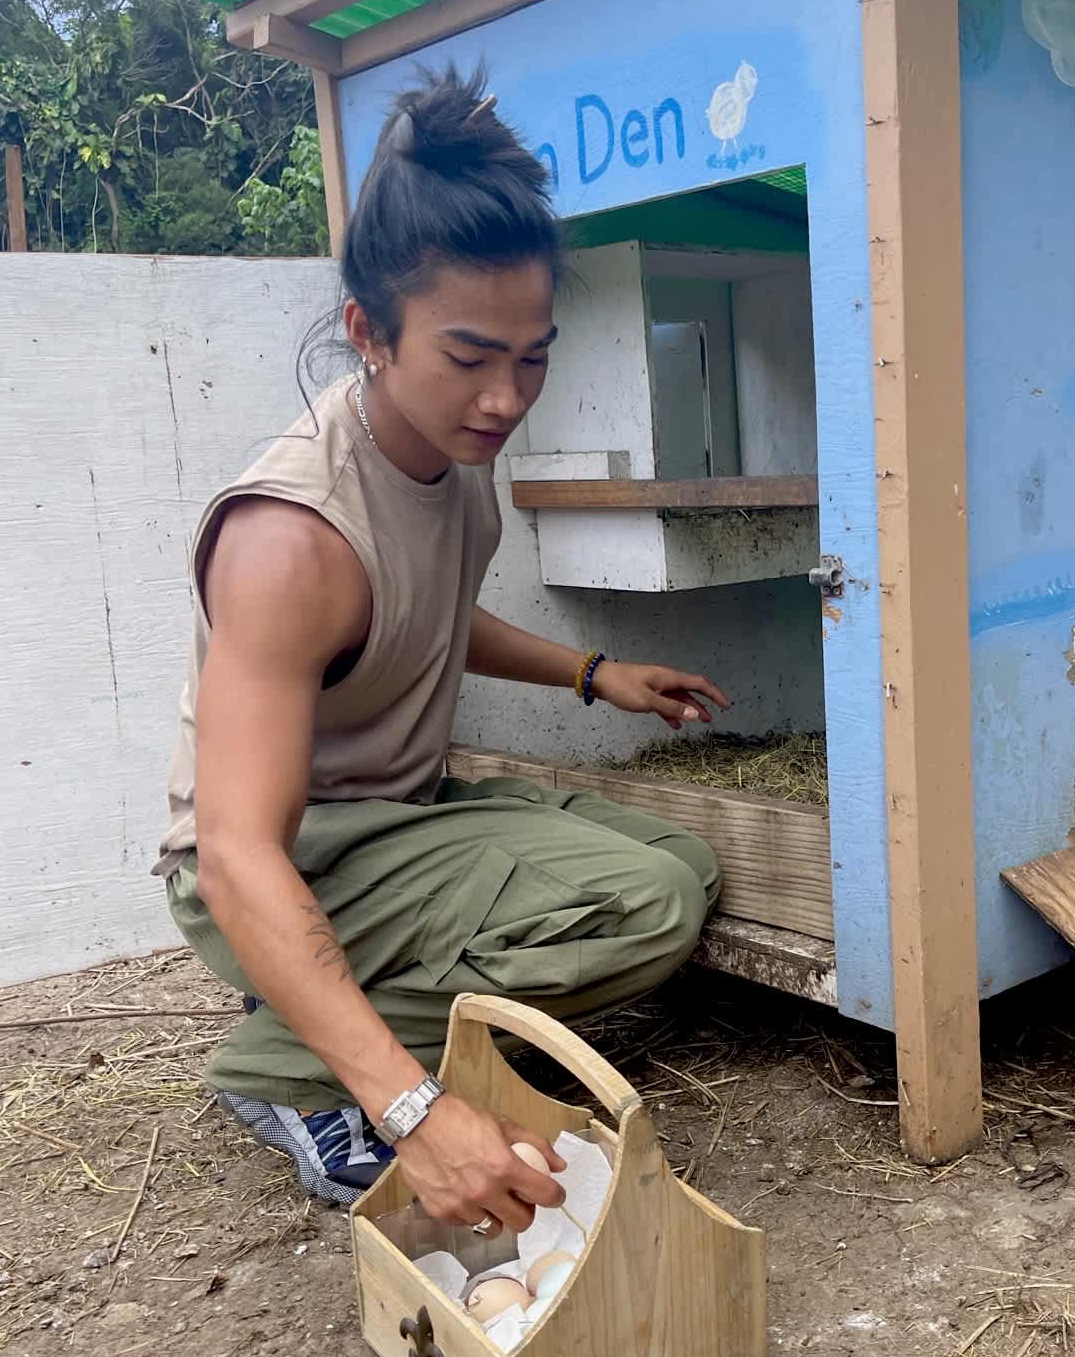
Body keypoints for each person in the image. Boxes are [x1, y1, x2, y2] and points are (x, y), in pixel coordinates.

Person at [154, 66, 730, 1234]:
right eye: (470, 358)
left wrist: (593, 675)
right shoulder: (288, 541)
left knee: (683, 860)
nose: (506, 398)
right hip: (289, 857)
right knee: (652, 907)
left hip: (396, 820)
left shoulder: (452, 460)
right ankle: (300, 1070)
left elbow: (422, 616)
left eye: (533, 357)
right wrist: (414, 1110)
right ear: (367, 332)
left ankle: (325, 1018)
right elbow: (233, 854)